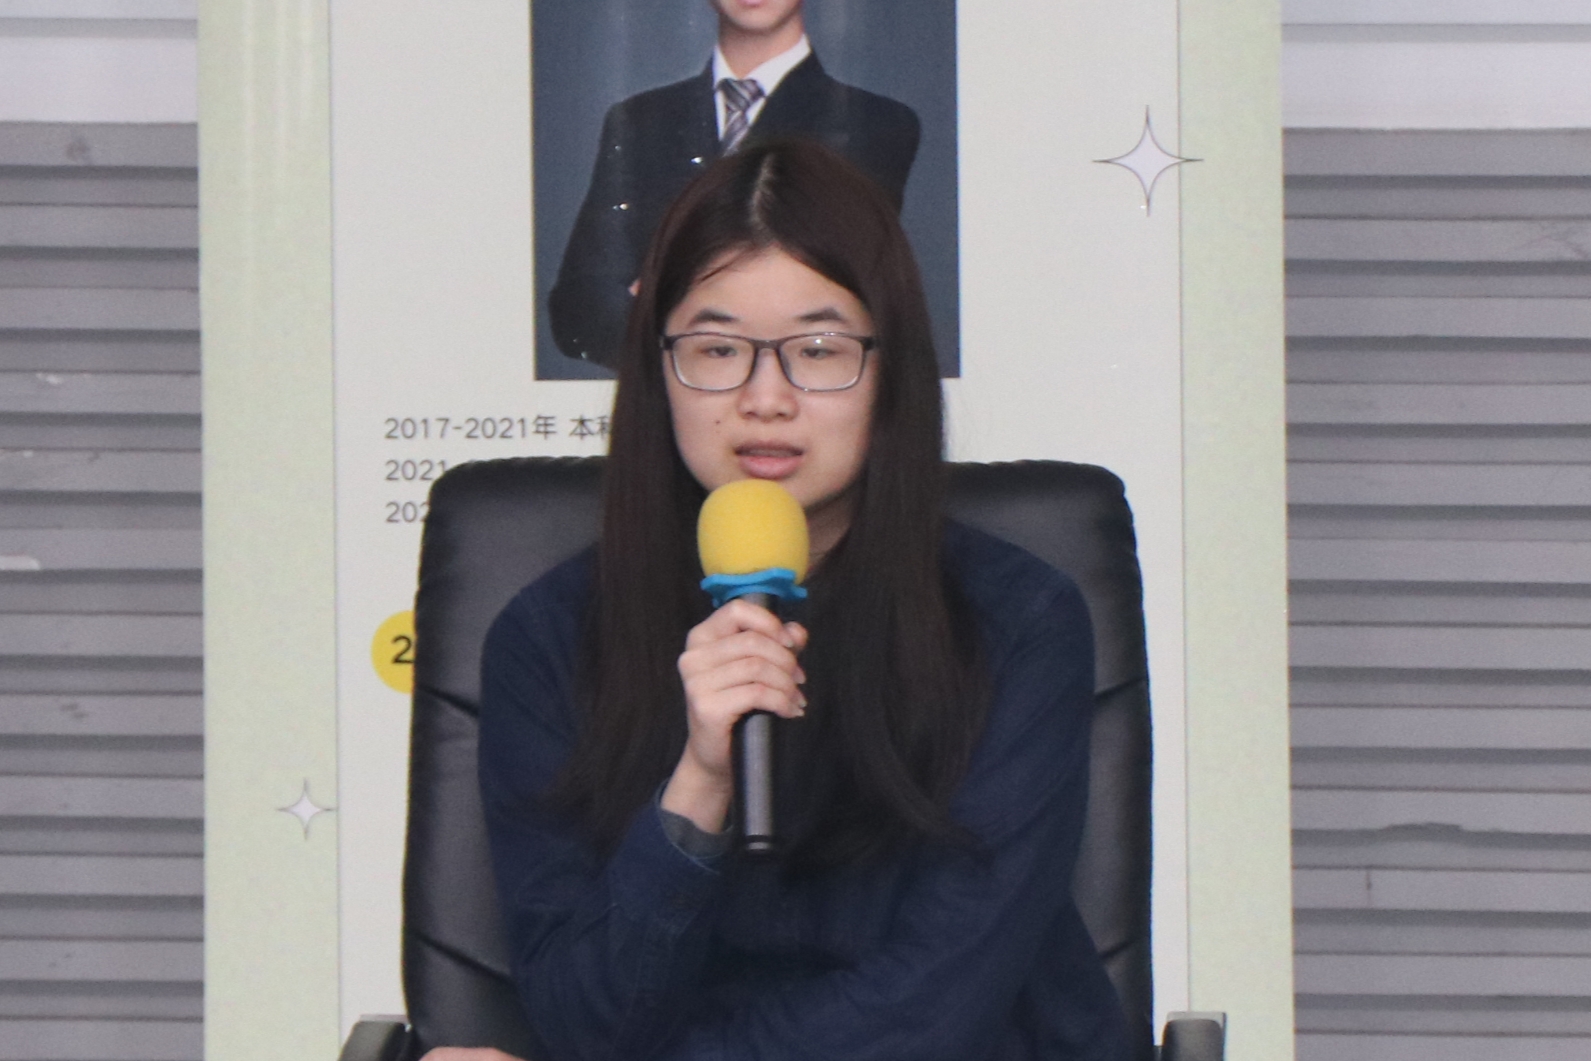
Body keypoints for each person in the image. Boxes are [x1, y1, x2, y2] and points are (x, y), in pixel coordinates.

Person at [461, 141, 1133, 1061]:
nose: (765, 398)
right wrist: (698, 786)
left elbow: (932, 1011)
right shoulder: (548, 636)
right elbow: (584, 1020)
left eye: (818, 351)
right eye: (716, 349)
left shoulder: (1015, 622)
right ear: (656, 372)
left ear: (889, 370)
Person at [547, 0, 921, 369]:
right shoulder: (641, 120)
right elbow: (580, 309)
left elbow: (833, 300)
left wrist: (657, 300)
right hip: (668, 394)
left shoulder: (876, 124)